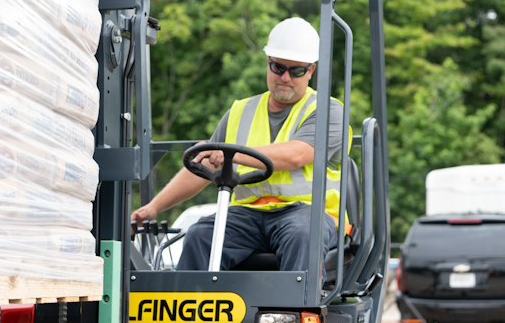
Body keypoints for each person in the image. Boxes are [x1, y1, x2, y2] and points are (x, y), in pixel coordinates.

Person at [131, 17, 347, 272]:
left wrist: (229, 154)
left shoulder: (327, 110)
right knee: (200, 235)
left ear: (311, 71)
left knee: (303, 233)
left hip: (307, 214)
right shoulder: (240, 111)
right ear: (268, 63)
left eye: (296, 70)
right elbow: (204, 168)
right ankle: (193, 310)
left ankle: (294, 311)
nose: (285, 77)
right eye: (278, 67)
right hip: (248, 215)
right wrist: (152, 208)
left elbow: (298, 154)